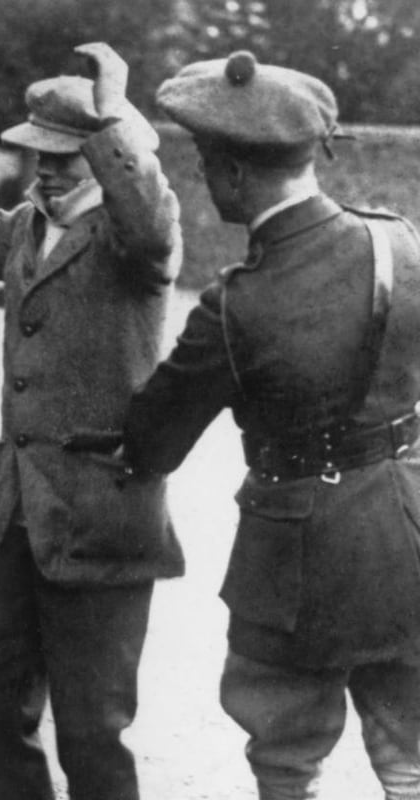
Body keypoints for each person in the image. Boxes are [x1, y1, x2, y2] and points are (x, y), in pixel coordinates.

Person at [123, 50, 420, 800]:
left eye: (201, 162)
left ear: (230, 173)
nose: (200, 179)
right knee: (411, 755)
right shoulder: (401, 244)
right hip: (406, 532)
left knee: (286, 759)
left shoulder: (235, 306)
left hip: (295, 557)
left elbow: (152, 443)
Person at [0, 27, 183, 800]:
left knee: (92, 733)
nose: (47, 172)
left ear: (104, 157)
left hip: (101, 520)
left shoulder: (136, 243)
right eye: (41, 156)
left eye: (67, 157)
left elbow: (152, 223)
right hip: (21, 516)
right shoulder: (24, 228)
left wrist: (113, 119)